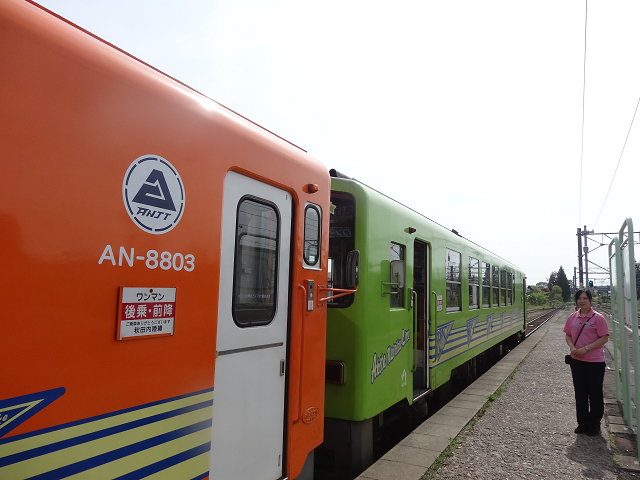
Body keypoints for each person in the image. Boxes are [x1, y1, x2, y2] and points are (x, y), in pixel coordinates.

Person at [564, 289, 609, 436]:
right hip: (577, 361)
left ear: (591, 300)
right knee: (580, 393)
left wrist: (586, 349)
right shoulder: (572, 317)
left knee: (595, 393)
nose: (582, 301)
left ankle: (594, 424)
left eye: (585, 298)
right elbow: (568, 335)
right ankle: (582, 423)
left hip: (594, 362)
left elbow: (604, 338)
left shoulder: (598, 318)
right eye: (579, 298)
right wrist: (572, 348)